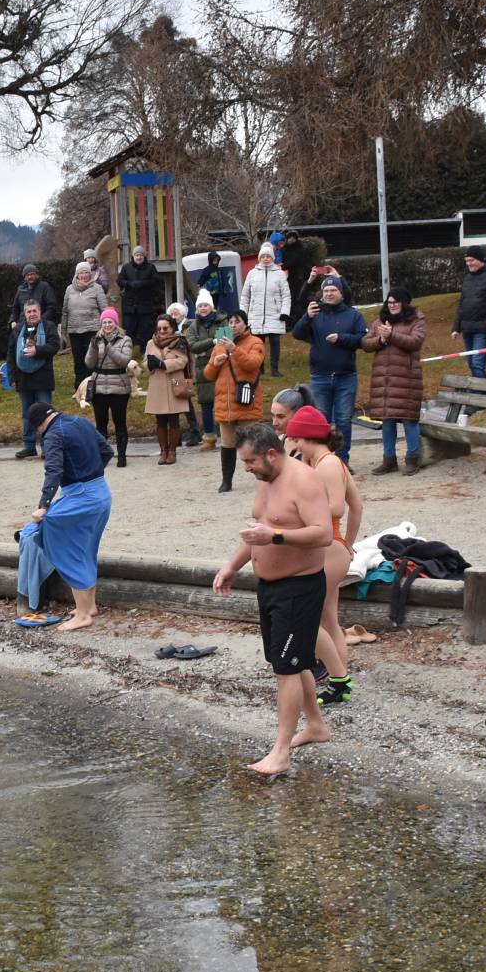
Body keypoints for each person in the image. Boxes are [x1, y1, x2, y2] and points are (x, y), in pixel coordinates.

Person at [211, 422, 335, 775]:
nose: (246, 469)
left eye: (250, 462)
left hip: (299, 588)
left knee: (286, 668)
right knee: (292, 663)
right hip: (269, 588)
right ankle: (315, 726)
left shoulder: (305, 480)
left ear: (270, 454)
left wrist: (276, 536)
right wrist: (233, 566)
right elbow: (258, 530)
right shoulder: (266, 481)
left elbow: (323, 533)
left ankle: (280, 752)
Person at [282, 404, 362, 706]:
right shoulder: (332, 462)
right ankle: (337, 676)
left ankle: (336, 675)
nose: (293, 446)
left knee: (308, 615)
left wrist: (342, 543)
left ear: (305, 438)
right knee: (328, 617)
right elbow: (359, 506)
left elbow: (338, 508)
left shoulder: (327, 464)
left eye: (295, 440)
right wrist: (349, 543)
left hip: (328, 548)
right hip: (335, 546)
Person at [26, 403, 113, 632]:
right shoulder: (80, 421)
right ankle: (89, 606)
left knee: (67, 549)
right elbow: (107, 451)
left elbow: (53, 471)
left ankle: (83, 615)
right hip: (101, 493)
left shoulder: (53, 434)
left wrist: (43, 506)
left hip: (81, 498)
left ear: (39, 426)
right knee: (87, 549)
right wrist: (90, 474)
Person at [292, 275, 367, 462]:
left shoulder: (353, 314)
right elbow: (297, 333)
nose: (329, 294)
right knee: (321, 421)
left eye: (333, 290)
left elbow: (362, 340)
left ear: (341, 293)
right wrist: (307, 317)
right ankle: (322, 459)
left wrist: (341, 338)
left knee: (343, 421)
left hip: (345, 376)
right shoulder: (315, 314)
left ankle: (342, 460)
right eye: (326, 291)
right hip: (320, 376)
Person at [359, 286, 428, 475]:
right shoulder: (379, 321)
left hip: (407, 377)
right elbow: (365, 343)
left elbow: (415, 341)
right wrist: (380, 340)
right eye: (389, 303)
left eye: (396, 302)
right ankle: (389, 460)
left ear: (404, 303)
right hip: (384, 379)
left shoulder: (416, 319)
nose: (392, 306)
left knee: (409, 420)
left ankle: (413, 459)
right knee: (387, 419)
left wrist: (392, 335)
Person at [203, 309, 270, 490]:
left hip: (246, 400)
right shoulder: (220, 344)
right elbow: (208, 375)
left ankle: (266, 476)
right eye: (230, 322)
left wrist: (235, 349)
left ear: (245, 324)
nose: (233, 325)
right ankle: (227, 481)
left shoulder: (256, 342)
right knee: (227, 444)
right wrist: (214, 364)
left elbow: (252, 364)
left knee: (255, 443)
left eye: (237, 322)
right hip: (226, 404)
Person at [84, 308, 135, 468]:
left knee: (120, 422)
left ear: (115, 323)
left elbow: (124, 360)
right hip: (99, 386)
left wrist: (108, 347)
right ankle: (102, 455)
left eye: (110, 322)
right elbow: (89, 363)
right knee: (100, 424)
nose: (107, 325)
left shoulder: (125, 339)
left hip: (119, 386)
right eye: (104, 322)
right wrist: (93, 348)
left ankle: (122, 455)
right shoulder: (96, 339)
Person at [8, 300, 59, 460]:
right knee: (26, 414)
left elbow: (54, 347)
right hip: (23, 378)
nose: (32, 314)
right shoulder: (17, 329)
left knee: (46, 412)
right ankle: (29, 446)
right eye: (29, 311)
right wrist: (11, 376)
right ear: (25, 313)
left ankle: (47, 446)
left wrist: (37, 351)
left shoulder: (49, 326)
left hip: (42, 376)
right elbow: (10, 353)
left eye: (34, 311)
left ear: (40, 311)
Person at [451, 250, 486, 380]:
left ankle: (480, 394)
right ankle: (485, 393)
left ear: (480, 260)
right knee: (472, 364)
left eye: (471, 260)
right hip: (467, 328)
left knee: (477, 364)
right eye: (467, 261)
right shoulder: (467, 278)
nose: (469, 264)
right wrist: (456, 328)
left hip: (483, 329)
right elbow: (462, 304)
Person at [142, 315, 191, 465]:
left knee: (174, 419)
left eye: (165, 328)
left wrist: (163, 364)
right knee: (160, 420)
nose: (162, 331)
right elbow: (144, 362)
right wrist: (149, 364)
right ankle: (163, 450)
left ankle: (172, 451)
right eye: (159, 328)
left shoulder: (179, 341)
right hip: (157, 383)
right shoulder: (151, 343)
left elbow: (183, 361)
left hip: (174, 382)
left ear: (172, 328)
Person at [183, 291, 229, 448]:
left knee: (224, 401)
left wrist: (209, 345)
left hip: (223, 365)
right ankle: (209, 437)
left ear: (212, 307)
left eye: (206, 305)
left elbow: (226, 340)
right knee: (206, 404)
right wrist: (213, 341)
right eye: (200, 306)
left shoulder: (223, 321)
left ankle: (230, 435)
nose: (203, 308)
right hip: (202, 367)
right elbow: (193, 346)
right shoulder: (192, 326)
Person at [241, 244, 291, 376]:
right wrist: (243, 314)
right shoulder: (252, 273)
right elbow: (245, 295)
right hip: (255, 315)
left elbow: (286, 295)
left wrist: (285, 312)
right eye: (263, 256)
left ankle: (275, 369)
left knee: (275, 342)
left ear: (272, 258)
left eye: (268, 256)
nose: (266, 258)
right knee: (258, 343)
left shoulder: (280, 274)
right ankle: (259, 368)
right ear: (259, 258)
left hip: (275, 314)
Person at [62, 262, 107, 386]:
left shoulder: (97, 288)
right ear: (77, 274)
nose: (84, 275)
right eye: (81, 272)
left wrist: (106, 327)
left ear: (90, 274)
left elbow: (104, 309)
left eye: (86, 272)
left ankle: (91, 385)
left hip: (92, 329)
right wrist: (63, 332)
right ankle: (79, 385)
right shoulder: (69, 289)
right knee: (78, 359)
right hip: (74, 330)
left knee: (91, 359)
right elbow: (65, 311)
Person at [118, 245, 161, 349]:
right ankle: (127, 350)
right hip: (130, 305)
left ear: (144, 256)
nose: (139, 257)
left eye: (141, 255)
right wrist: (130, 284)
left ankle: (144, 351)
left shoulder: (151, 267)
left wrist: (143, 283)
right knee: (128, 329)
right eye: (137, 255)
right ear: (133, 256)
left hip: (145, 304)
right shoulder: (126, 267)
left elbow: (156, 281)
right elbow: (120, 280)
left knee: (145, 329)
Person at [8, 262, 58, 331]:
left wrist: (40, 319)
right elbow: (15, 308)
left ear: (37, 275)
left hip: (42, 326)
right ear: (24, 277)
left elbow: (52, 307)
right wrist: (13, 321)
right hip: (23, 327)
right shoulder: (20, 290)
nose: (29, 277)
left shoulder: (45, 287)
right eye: (27, 275)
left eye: (32, 274)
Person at [191, 250, 238, 316]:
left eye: (217, 260)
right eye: (214, 260)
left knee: (216, 303)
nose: (215, 262)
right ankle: (211, 314)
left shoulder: (218, 270)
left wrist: (223, 290)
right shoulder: (207, 270)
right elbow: (203, 278)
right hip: (211, 291)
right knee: (211, 303)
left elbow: (221, 281)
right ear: (210, 260)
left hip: (218, 291)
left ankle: (215, 313)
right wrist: (199, 284)